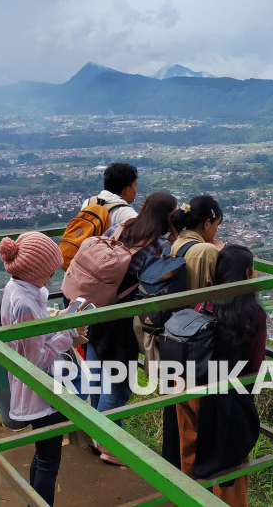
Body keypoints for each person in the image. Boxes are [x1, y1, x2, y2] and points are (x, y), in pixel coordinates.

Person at [163, 245, 266, 507]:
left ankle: (190, 499)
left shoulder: (203, 303)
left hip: (192, 386)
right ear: (247, 273)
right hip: (230, 394)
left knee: (191, 449)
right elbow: (255, 362)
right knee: (233, 460)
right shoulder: (254, 313)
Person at [86, 192, 179, 465]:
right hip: (124, 318)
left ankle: (97, 435)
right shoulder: (157, 245)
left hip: (100, 307)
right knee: (118, 387)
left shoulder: (123, 226)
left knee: (99, 376)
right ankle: (112, 448)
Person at [0, 232, 87, 506]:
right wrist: (69, 333)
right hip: (40, 391)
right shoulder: (24, 304)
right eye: (49, 271)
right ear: (36, 271)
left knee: (43, 454)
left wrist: (62, 320)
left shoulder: (18, 289)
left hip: (36, 386)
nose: (52, 276)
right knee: (49, 460)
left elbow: (34, 341)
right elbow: (37, 359)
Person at [169, 195, 224, 289]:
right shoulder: (207, 250)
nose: (216, 230)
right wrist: (220, 252)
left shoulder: (176, 243)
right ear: (207, 224)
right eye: (216, 224)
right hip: (197, 303)